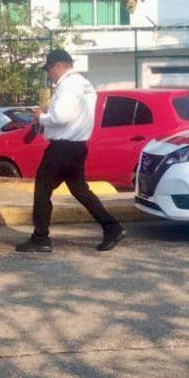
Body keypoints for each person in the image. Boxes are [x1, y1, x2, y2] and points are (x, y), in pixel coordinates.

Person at [16, 49, 125, 254]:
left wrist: (41, 117)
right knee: (80, 190)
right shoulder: (84, 85)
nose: (49, 74)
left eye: (49, 69)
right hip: (77, 147)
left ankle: (40, 238)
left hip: (61, 149)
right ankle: (112, 227)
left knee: (42, 190)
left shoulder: (67, 85)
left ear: (58, 66)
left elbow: (61, 117)